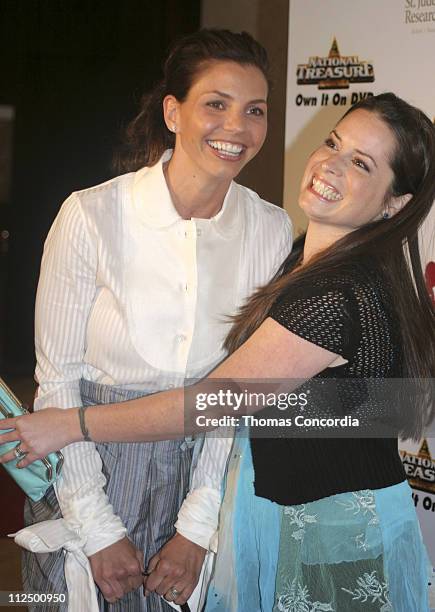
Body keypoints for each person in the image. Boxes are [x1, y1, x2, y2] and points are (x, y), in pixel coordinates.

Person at [2, 93, 434, 611]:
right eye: (333, 143)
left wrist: (72, 423)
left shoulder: (335, 294)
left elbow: (210, 403)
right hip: (287, 518)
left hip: (328, 539)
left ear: (395, 203)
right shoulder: (302, 258)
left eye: (361, 163)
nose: (329, 165)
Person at [1, 29, 292, 612]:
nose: (237, 126)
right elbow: (57, 381)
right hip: (90, 465)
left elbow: (238, 387)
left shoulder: (270, 228)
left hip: (205, 465)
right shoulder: (90, 215)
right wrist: (98, 526)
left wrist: (197, 525)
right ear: (173, 112)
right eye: (216, 104)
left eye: (254, 110)